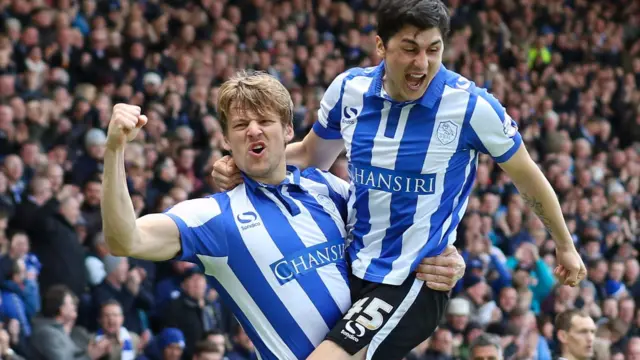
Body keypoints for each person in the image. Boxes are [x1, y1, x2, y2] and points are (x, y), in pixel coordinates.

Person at [212, 0, 587, 358]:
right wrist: (242, 162)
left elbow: (527, 176)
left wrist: (564, 245)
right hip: (353, 266)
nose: (422, 63)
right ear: (380, 45)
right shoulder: (349, 90)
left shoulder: (471, 108)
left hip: (414, 278)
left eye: (433, 49)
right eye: (409, 49)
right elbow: (312, 156)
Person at [100, 71, 464, 360]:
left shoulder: (330, 190)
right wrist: (115, 149)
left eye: (264, 121)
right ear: (227, 140)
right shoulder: (214, 217)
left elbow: (398, 236)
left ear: (288, 130)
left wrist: (450, 260)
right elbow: (125, 239)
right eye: (241, 125)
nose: (254, 130)